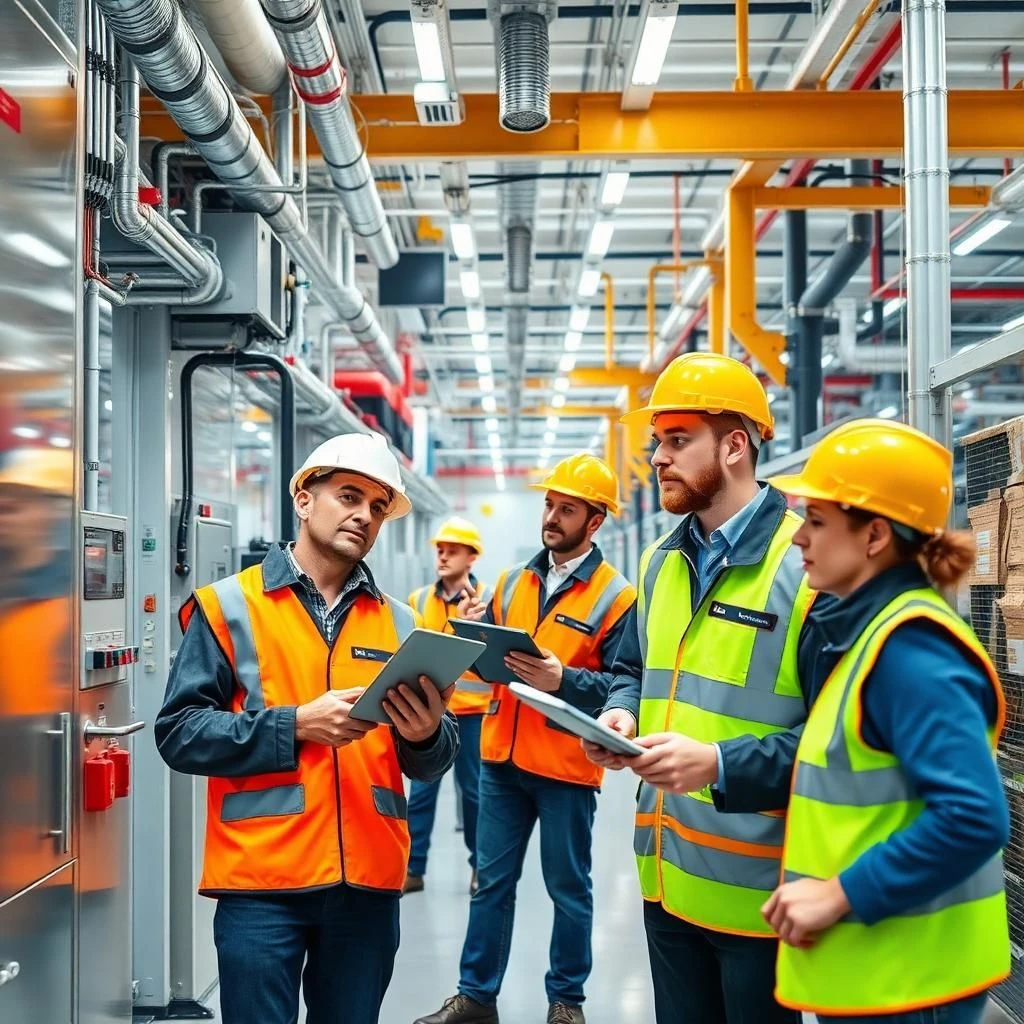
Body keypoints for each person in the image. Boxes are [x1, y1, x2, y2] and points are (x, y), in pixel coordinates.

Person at [154, 432, 460, 1024]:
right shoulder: (229, 606)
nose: (364, 515)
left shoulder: (402, 623)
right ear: (303, 500)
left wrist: (425, 735)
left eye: (377, 507)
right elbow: (180, 732)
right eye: (349, 496)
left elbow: (431, 761)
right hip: (261, 881)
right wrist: (295, 725)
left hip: (367, 881)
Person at [585, 352, 813, 1024]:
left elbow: (840, 742)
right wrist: (620, 717)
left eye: (678, 440)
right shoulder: (660, 562)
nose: (658, 457)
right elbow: (632, 670)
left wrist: (716, 763)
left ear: (735, 446)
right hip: (665, 878)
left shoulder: (805, 568)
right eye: (658, 440)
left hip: (759, 895)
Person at [760, 418, 1010, 1023]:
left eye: (817, 521)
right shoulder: (871, 632)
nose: (799, 538)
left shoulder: (912, 652)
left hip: (914, 983)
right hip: (883, 969)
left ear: (874, 535)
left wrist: (838, 893)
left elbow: (975, 817)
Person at [414, 453, 636, 1024]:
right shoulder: (513, 581)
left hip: (565, 767)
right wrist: (475, 634)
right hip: (501, 758)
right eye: (549, 504)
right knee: (490, 884)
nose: (551, 517)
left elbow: (624, 684)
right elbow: (491, 660)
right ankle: (475, 997)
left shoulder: (617, 597)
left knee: (569, 889)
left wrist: (566, 679)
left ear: (595, 521)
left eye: (567, 509)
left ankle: (566, 1002)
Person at [405, 517, 490, 895]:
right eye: (440, 550)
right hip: (431, 711)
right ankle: (413, 868)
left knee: (474, 794)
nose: (442, 556)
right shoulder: (419, 599)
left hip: (474, 712)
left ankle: (479, 867)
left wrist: (473, 626)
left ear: (472, 557)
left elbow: (493, 659)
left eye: (452, 551)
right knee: (421, 792)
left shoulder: (488, 600)